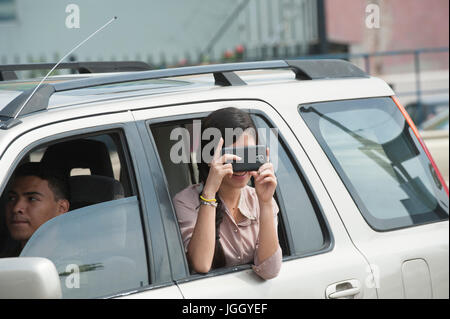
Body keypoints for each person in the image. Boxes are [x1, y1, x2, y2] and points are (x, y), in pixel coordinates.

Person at [173, 107, 282, 280]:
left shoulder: (258, 199)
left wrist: (266, 202)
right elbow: (201, 264)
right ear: (210, 157)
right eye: (231, 155)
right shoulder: (185, 201)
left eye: (248, 153)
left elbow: (270, 271)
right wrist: (209, 192)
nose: (239, 163)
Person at [1, 162, 70, 257]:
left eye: (32, 199)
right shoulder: (7, 258)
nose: (16, 208)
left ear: (62, 208)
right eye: (12, 198)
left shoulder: (75, 263)